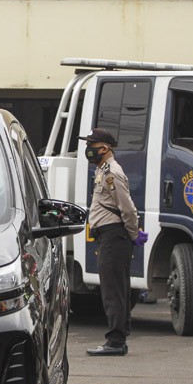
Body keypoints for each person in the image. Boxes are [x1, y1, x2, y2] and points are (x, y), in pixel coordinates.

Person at [81, 128, 139, 357]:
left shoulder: (112, 173)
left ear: (104, 148)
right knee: (117, 286)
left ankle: (115, 341)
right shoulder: (103, 170)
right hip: (112, 235)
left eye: (91, 144)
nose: (88, 149)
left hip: (114, 235)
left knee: (113, 289)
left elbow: (127, 208)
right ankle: (118, 338)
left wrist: (133, 234)